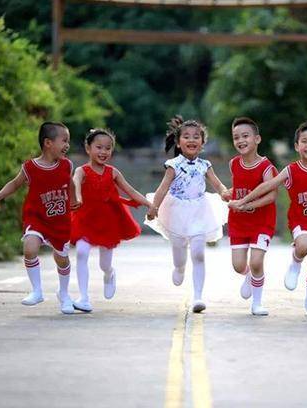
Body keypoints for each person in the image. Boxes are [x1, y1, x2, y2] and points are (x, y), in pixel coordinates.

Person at [230, 121, 307, 316]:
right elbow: (268, 186)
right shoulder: (291, 170)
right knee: (303, 245)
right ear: (297, 146)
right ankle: (295, 262)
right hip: (300, 221)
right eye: (304, 141)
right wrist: (243, 201)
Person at [0, 121, 79, 314]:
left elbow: (70, 184)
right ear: (48, 143)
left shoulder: (67, 165)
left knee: (61, 259)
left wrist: (75, 200)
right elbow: (14, 183)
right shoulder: (30, 167)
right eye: (64, 140)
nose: (67, 145)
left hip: (60, 220)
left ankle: (64, 293)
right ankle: (37, 290)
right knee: (29, 248)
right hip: (36, 218)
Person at [145, 115, 229, 313]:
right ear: (178, 142)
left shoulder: (205, 165)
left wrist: (226, 193)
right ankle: (179, 267)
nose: (192, 140)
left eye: (196, 137)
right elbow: (162, 188)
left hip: (200, 211)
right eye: (187, 137)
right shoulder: (173, 164)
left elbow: (217, 184)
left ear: (202, 142)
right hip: (176, 212)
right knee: (180, 251)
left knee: (199, 253)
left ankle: (198, 296)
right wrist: (154, 207)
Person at [70, 128, 154, 312]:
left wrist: (149, 204)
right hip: (85, 218)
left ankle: (109, 274)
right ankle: (83, 297)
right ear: (88, 148)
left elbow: (130, 191)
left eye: (108, 148)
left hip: (107, 220)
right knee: (82, 252)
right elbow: (75, 182)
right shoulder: (81, 170)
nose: (103, 152)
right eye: (98, 147)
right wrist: (77, 197)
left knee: (104, 264)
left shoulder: (113, 172)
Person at [227, 117, 277, 316]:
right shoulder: (233, 164)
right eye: (236, 137)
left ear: (257, 139)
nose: (240, 140)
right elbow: (240, 188)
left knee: (256, 262)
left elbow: (271, 195)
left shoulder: (266, 167)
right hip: (238, 222)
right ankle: (248, 276)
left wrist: (246, 204)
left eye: (245, 136)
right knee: (238, 266)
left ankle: (257, 302)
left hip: (262, 222)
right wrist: (230, 194)